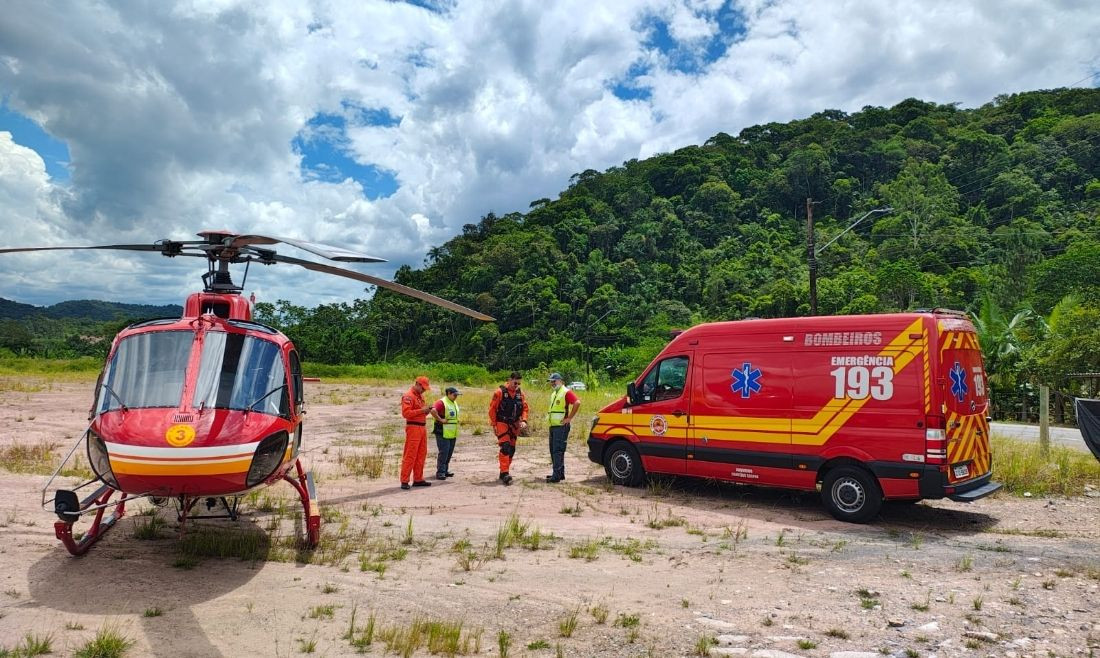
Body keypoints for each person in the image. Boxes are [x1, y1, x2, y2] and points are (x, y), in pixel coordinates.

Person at [488, 371, 528, 485]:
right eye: (515, 383)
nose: (517, 386)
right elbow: (492, 410)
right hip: (502, 423)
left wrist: (524, 420)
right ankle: (505, 473)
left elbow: (525, 408)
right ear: (509, 380)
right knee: (505, 447)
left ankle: (503, 471)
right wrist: (494, 425)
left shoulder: (521, 394)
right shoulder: (500, 392)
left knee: (511, 449)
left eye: (519, 384)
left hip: (514, 424)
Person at [399, 375, 433, 490]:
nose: (424, 390)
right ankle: (404, 480)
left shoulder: (420, 397)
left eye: (425, 388)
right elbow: (406, 413)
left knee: (421, 454)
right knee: (410, 454)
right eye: (423, 387)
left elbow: (421, 413)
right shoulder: (408, 396)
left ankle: (418, 479)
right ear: (417, 384)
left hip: (422, 427)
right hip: (413, 427)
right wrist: (422, 410)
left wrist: (427, 411)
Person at [545, 373, 581, 483]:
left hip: (561, 427)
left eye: (554, 381)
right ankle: (559, 473)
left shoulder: (566, 392)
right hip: (554, 426)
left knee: (557, 450)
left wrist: (569, 418)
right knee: (554, 450)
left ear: (560, 381)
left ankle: (556, 476)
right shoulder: (554, 393)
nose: (552, 383)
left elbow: (577, 402)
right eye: (551, 381)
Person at [430, 386, 461, 480]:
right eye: (454, 395)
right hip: (442, 431)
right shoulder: (441, 402)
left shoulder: (453, 402)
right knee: (444, 452)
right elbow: (433, 410)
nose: (456, 397)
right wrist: (440, 419)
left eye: (457, 395)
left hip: (452, 432)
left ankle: (445, 470)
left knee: (449, 452)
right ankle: (440, 472)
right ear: (448, 393)